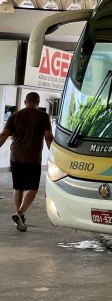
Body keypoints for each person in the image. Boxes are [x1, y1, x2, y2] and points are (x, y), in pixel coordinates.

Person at [0, 92, 53, 232]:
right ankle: (20, 213)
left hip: (15, 157)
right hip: (33, 158)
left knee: (18, 188)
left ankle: (20, 217)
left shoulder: (14, 115)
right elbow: (48, 136)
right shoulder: (43, 116)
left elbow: (4, 134)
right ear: (38, 101)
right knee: (32, 189)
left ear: (25, 101)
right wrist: (54, 153)